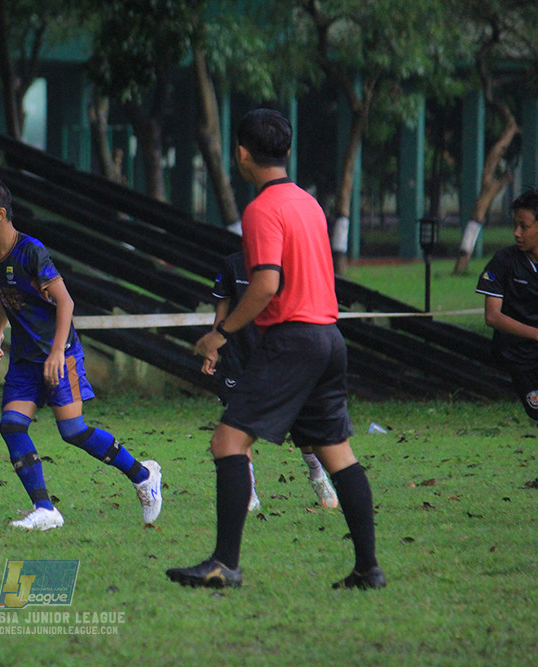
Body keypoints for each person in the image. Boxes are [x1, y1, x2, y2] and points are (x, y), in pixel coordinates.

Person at [166, 109, 384, 590]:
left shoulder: (262, 209)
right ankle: (368, 569)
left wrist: (219, 334)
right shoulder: (309, 205)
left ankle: (225, 563)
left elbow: (265, 284)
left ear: (242, 153)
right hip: (329, 338)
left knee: (228, 442)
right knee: (336, 451)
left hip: (293, 341)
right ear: (285, 151)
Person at [0, 178, 162, 531]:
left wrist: (58, 352)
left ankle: (143, 475)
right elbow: (8, 292)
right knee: (11, 425)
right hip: (25, 359)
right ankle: (45, 509)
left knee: (73, 431)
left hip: (59, 353)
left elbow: (66, 301)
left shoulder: (31, 251)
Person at [212, 251, 339, 511]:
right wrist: (214, 345)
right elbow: (222, 310)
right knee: (237, 426)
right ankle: (248, 491)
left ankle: (317, 474)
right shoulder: (232, 264)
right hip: (238, 359)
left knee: (303, 425)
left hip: (281, 355)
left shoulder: (291, 265)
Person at [476, 189, 538, 429]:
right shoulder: (504, 262)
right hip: (518, 356)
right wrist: (535, 333)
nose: (516, 233)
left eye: (524, 226)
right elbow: (492, 316)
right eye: (515, 225)